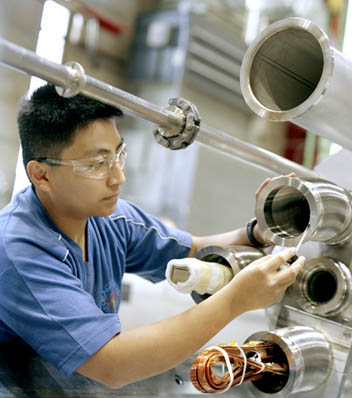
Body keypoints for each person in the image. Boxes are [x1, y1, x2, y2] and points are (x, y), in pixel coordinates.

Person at [0, 84, 304, 389]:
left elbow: (194, 249)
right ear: (41, 175)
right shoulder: (19, 251)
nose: (118, 177)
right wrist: (236, 300)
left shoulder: (108, 220)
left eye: (119, 154)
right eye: (96, 164)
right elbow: (112, 363)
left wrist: (258, 232)